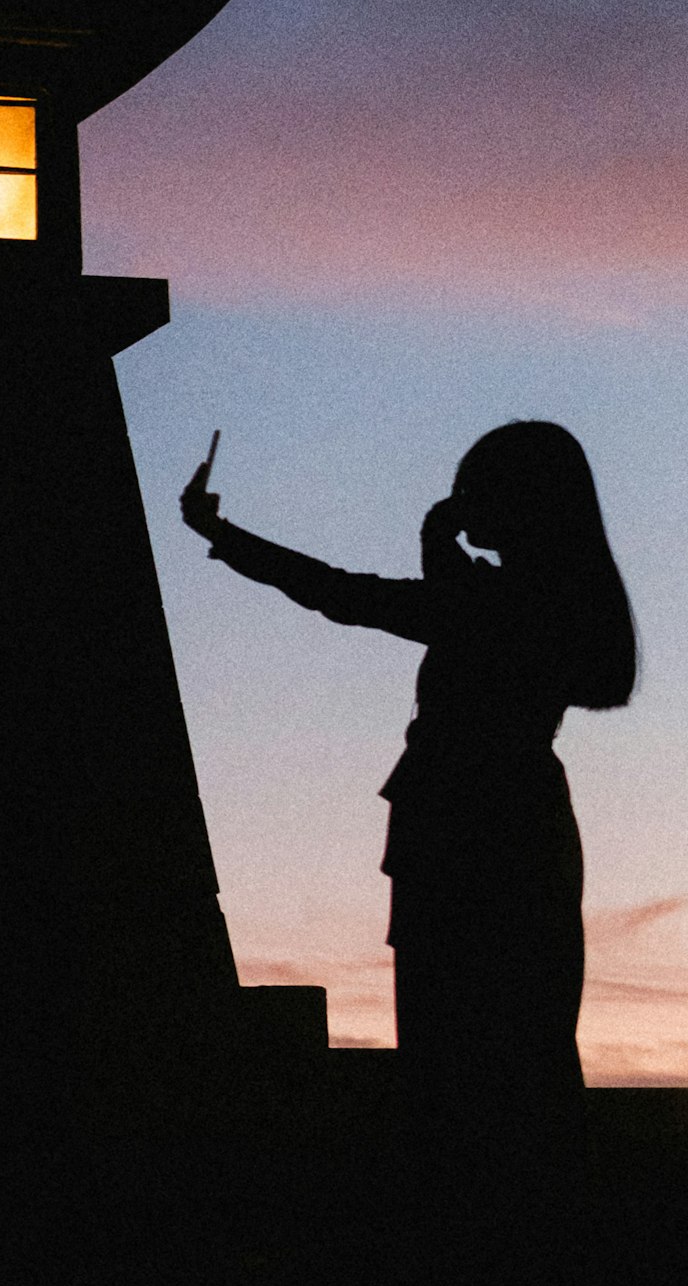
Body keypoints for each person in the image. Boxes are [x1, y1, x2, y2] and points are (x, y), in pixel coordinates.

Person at [178, 422, 637, 1205]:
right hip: (486, 828)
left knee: (481, 1048)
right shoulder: (529, 601)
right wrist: (227, 536)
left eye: (473, 487)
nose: (458, 502)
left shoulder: (513, 605)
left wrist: (431, 540)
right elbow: (353, 594)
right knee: (504, 1047)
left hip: (476, 832)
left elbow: (356, 597)